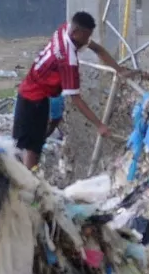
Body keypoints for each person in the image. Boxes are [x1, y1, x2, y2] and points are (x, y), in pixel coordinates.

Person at [12, 11, 129, 169]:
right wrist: (99, 125)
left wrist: (118, 69)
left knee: (28, 143)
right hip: (34, 99)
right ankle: (27, 184)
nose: (87, 41)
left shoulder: (64, 29)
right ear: (75, 33)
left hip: (32, 90)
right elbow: (76, 99)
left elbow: (97, 49)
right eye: (86, 36)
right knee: (32, 148)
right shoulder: (68, 61)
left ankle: (24, 174)